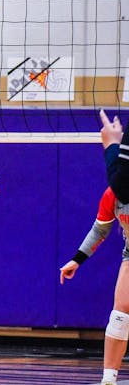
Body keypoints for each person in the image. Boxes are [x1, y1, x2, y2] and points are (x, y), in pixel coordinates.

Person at [58, 110, 128, 385]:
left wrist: (111, 143)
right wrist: (77, 259)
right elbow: (101, 228)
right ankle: (108, 380)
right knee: (120, 315)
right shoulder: (114, 193)